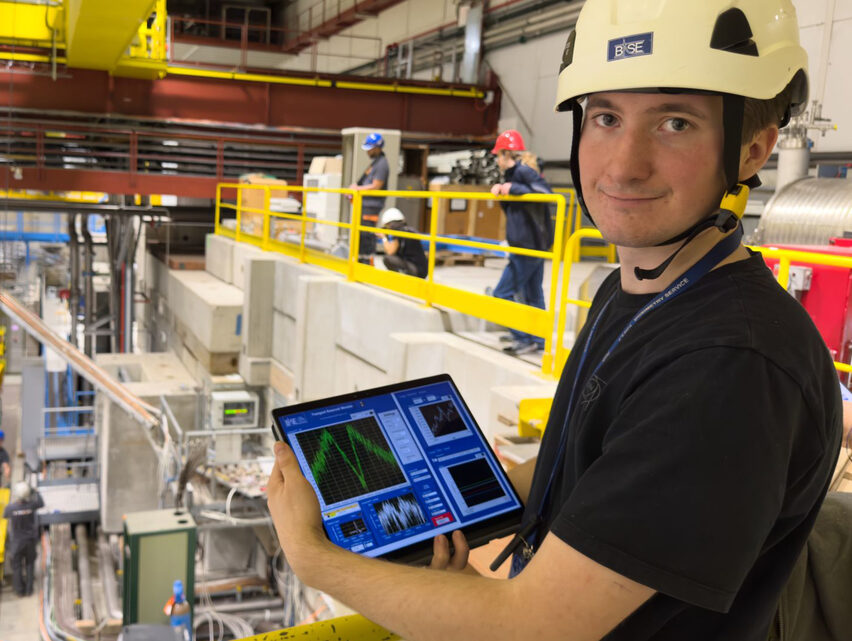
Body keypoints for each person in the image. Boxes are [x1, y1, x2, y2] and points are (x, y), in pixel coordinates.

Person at [266, 1, 843, 639]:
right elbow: (617, 457)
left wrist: (314, 557)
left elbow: (534, 629)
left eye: (675, 122)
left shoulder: (730, 363)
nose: (623, 164)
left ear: (751, 149)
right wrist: (486, 483)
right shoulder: (639, 292)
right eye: (606, 117)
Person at [489, 129, 553, 356]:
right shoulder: (512, 175)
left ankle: (522, 337)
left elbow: (545, 193)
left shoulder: (524, 172)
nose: (497, 160)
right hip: (530, 244)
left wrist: (512, 189)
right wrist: (503, 192)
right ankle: (537, 338)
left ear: (507, 154)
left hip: (528, 246)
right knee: (533, 294)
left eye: (498, 155)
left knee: (502, 293)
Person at [347, 133, 390, 259]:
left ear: (377, 148)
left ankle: (366, 263)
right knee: (360, 235)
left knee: (367, 235)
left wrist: (357, 189)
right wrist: (353, 188)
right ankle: (360, 261)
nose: (368, 152)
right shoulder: (375, 163)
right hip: (364, 204)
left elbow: (376, 185)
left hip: (371, 206)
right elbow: (363, 181)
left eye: (370, 149)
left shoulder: (382, 164)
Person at [3, 481, 45, 596]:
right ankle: (29, 589)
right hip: (30, 541)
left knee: (16, 567)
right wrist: (35, 491)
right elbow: (41, 503)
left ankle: (19, 591)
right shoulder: (31, 505)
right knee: (30, 565)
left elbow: (4, 515)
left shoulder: (10, 508)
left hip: (17, 542)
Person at [377, 208, 427, 278]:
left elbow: (390, 251)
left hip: (416, 270)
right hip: (422, 270)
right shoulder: (407, 230)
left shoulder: (398, 231)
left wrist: (384, 237)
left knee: (387, 259)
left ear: (389, 223)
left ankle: (398, 279)